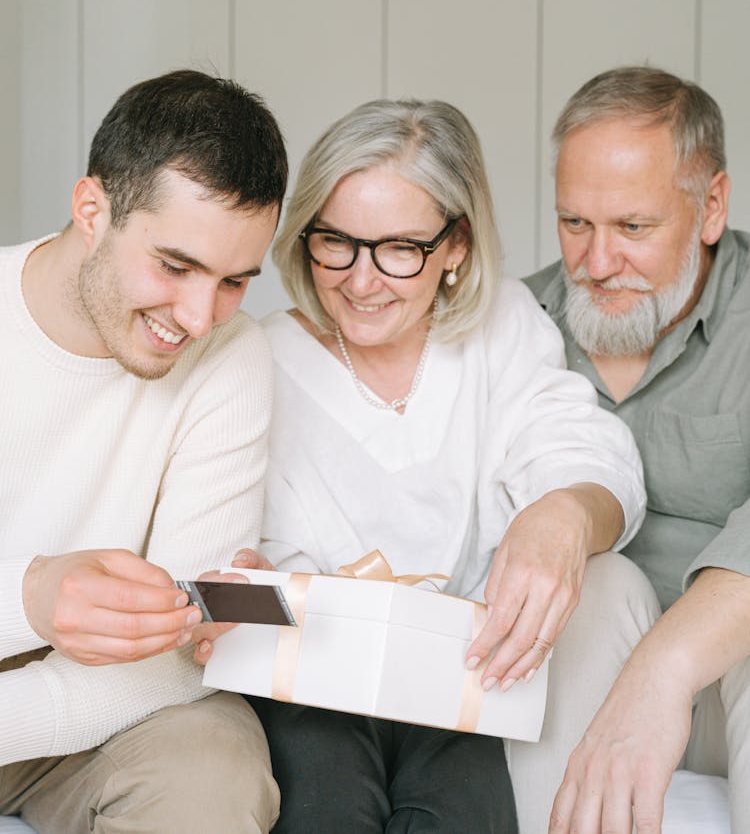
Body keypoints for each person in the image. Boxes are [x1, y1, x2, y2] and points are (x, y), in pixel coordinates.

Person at [198, 97, 647, 832]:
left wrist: (563, 510)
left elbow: (586, 452)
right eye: (335, 241)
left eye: (401, 247)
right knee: (325, 806)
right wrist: (239, 586)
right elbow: (210, 579)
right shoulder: (257, 357)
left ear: (457, 244)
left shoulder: (501, 328)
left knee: (464, 810)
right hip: (308, 680)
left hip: (459, 678)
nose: (362, 279)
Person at [0, 69, 288, 833]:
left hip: (110, 707)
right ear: (92, 209)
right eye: (175, 265)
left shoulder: (233, 356)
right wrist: (31, 596)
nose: (199, 316)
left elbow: (183, 643)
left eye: (233, 281)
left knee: (215, 772)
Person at [524, 66, 750, 833]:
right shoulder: (517, 325)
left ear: (711, 205)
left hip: (723, 678)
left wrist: (663, 667)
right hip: (578, 661)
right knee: (601, 579)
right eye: (574, 223)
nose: (595, 263)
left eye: (633, 227)